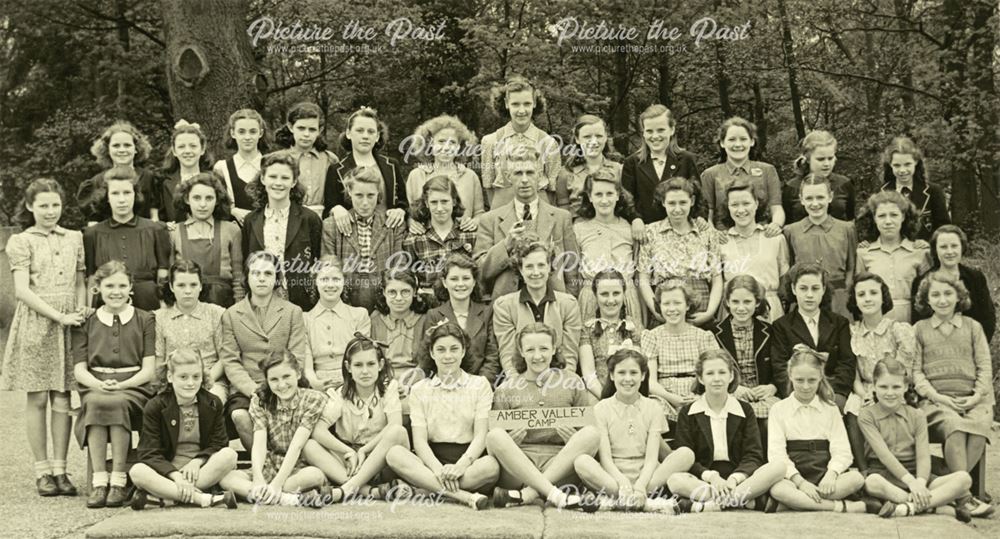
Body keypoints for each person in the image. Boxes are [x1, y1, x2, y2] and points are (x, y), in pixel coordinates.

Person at [1, 178, 86, 497]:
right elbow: (22, 290)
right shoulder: (21, 242)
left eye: (55, 205)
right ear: (29, 206)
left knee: (63, 397)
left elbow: (80, 280)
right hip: (38, 321)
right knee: (38, 397)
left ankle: (61, 470)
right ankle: (42, 470)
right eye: (43, 205)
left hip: (69, 321)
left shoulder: (75, 237)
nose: (50, 211)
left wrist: (79, 310)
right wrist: (58, 315)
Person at [385, 322, 501, 510]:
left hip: (469, 462)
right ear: (432, 353)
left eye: (454, 349)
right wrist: (438, 470)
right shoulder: (420, 389)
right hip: (432, 461)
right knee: (394, 454)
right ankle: (464, 497)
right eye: (441, 350)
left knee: (491, 466)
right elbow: (420, 442)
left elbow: (481, 435)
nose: (448, 356)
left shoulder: (480, 385)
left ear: (463, 351)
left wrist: (461, 466)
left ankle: (426, 489)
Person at [71, 261, 156, 508]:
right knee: (98, 400)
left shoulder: (145, 319)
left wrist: (122, 385)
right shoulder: (86, 321)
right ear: (97, 288)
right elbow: (79, 370)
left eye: (122, 285)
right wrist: (98, 384)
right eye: (109, 286)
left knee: (116, 401)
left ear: (131, 287)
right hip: (95, 385)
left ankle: (118, 482)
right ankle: (100, 482)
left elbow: (148, 370)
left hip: (134, 386)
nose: (116, 291)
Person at [487, 323, 598, 510]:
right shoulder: (507, 388)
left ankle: (529, 494)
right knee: (495, 436)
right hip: (520, 466)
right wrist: (511, 440)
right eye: (530, 349)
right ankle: (553, 493)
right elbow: (494, 445)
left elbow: (585, 429)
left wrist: (572, 438)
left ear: (554, 349)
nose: (537, 356)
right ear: (521, 351)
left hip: (560, 463)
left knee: (592, 434)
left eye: (544, 348)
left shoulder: (573, 381)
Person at [572, 349, 695, 513]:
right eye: (621, 372)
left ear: (643, 376)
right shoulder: (601, 408)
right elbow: (606, 458)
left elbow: (652, 458)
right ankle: (641, 501)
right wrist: (622, 483)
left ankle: (627, 499)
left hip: (647, 474)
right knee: (581, 461)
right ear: (612, 375)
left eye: (633, 373)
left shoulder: (653, 407)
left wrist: (640, 486)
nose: (627, 379)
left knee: (686, 454)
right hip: (613, 476)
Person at [911, 273, 993, 515]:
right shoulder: (920, 329)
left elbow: (984, 367)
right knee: (955, 427)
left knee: (978, 428)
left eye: (948, 294)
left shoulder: (972, 327)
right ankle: (965, 497)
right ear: (926, 300)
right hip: (935, 401)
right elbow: (916, 373)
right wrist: (939, 397)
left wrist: (976, 397)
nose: (942, 300)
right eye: (935, 295)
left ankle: (952, 492)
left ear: (959, 297)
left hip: (972, 399)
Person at [668, 350, 785, 512]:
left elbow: (753, 455)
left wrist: (735, 479)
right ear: (701, 378)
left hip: (739, 479)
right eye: (710, 373)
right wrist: (712, 477)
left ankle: (712, 504)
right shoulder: (688, 412)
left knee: (778, 467)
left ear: (731, 376)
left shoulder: (745, 409)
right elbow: (687, 458)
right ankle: (745, 501)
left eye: (722, 372)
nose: (717, 379)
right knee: (675, 480)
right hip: (705, 479)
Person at [860, 358, 975, 521]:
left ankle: (907, 507)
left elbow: (923, 455)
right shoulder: (867, 415)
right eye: (883, 387)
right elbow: (884, 455)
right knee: (872, 482)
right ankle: (932, 506)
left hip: (917, 474)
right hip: (884, 474)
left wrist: (920, 483)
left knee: (964, 479)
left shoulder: (917, 415)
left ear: (906, 387)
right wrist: (911, 484)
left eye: (896, 387)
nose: (890, 393)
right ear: (873, 386)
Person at [305, 334, 411, 504]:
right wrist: (348, 451)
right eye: (358, 365)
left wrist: (364, 450)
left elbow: (395, 425)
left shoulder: (389, 388)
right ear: (348, 367)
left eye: (370, 364)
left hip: (381, 455)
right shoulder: (339, 394)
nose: (365, 371)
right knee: (309, 445)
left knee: (397, 431)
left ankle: (347, 489)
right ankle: (369, 491)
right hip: (350, 462)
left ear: (380, 365)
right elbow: (318, 430)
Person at [129, 350, 239, 510]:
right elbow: (148, 452)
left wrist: (197, 461)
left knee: (230, 455)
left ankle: (168, 499)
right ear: (169, 377)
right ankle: (204, 499)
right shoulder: (155, 406)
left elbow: (219, 443)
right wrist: (176, 477)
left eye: (196, 376)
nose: (190, 383)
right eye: (183, 377)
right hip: (167, 474)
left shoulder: (213, 403)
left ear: (203, 376)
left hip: (200, 472)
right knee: (137, 471)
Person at [220, 251, 308, 451]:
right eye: (255, 273)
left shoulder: (292, 312)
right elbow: (230, 361)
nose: (261, 278)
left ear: (277, 279)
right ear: (247, 277)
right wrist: (253, 390)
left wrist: (280, 385)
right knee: (239, 416)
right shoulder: (231, 315)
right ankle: (263, 464)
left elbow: (297, 357)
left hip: (285, 383)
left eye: (268, 274)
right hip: (248, 387)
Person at [766, 345, 870, 513]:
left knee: (856, 479)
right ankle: (841, 506)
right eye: (799, 380)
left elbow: (842, 450)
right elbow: (776, 454)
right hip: (794, 477)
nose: (806, 386)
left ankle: (796, 503)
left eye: (812, 380)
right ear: (790, 375)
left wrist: (832, 474)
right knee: (778, 489)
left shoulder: (830, 409)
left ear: (821, 376)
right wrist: (800, 482)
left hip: (824, 476)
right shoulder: (779, 409)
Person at [218, 351, 329, 507]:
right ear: (267, 381)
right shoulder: (260, 400)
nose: (281, 385)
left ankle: (265, 494)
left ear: (297, 373)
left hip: (297, 466)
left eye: (286, 377)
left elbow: (297, 445)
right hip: (270, 465)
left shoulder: (313, 399)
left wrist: (277, 483)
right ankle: (288, 499)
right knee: (226, 479)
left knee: (315, 476)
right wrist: (258, 478)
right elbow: (259, 443)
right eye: (274, 379)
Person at [474, 146, 579, 300]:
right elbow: (480, 271)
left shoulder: (561, 218)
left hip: (551, 303)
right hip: (507, 306)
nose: (524, 180)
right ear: (508, 177)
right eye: (518, 173)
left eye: (530, 173)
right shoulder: (490, 220)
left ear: (539, 176)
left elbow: (572, 268)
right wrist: (505, 245)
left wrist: (568, 300)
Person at [845, 272, 918, 471]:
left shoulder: (898, 330)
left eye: (873, 293)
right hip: (865, 389)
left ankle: (898, 466)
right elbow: (853, 374)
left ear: (883, 297)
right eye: (861, 294)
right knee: (853, 407)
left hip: (894, 388)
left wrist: (881, 392)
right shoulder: (851, 332)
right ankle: (864, 470)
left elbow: (905, 372)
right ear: (855, 300)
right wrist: (865, 394)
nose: (867, 298)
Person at [243, 151, 323, 311]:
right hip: (262, 300)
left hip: (300, 299)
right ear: (263, 179)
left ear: (294, 182)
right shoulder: (251, 220)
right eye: (273, 177)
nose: (278, 183)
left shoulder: (309, 219)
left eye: (285, 178)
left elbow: (317, 259)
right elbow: (247, 259)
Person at [771, 263, 857, 412]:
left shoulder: (839, 323)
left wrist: (834, 392)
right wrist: (801, 393)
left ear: (823, 289)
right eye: (803, 288)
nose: (809, 295)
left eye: (815, 288)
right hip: (797, 392)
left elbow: (847, 363)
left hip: (833, 392)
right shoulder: (781, 326)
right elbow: (780, 367)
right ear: (793, 289)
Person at [83, 166, 170, 311]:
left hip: (148, 305)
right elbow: (92, 279)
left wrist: (164, 310)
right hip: (108, 305)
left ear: (135, 195)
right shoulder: (92, 234)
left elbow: (163, 276)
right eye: (115, 193)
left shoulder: (156, 229)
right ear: (107, 197)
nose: (122, 200)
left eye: (127, 193)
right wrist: (90, 312)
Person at [637, 177, 722, 327]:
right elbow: (643, 278)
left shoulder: (707, 233)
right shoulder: (650, 232)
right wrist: (657, 311)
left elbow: (717, 278)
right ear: (663, 202)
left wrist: (710, 312)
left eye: (683, 202)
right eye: (671, 203)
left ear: (692, 201)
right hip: (665, 302)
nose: (677, 209)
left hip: (700, 302)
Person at [492, 238, 583, 378]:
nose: (536, 272)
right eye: (529, 266)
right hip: (521, 380)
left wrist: (560, 384)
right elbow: (508, 356)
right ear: (521, 270)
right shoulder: (504, 306)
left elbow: (569, 356)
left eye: (541, 265)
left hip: (559, 379)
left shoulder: (568, 304)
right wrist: (520, 384)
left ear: (549, 267)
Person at [321, 165, 406, 310]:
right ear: (350, 192)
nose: (365, 203)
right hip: (346, 299)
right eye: (359, 195)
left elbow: (399, 268)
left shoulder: (393, 224)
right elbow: (329, 269)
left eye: (370, 195)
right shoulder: (332, 226)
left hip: (384, 300)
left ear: (378, 193)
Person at [572, 169, 644, 325]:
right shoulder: (579, 229)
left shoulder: (629, 228)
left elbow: (639, 271)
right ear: (590, 197)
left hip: (625, 295)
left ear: (618, 195)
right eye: (598, 194)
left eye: (609, 194)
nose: (604, 200)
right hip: (591, 295)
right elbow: (575, 270)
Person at [642, 281, 720, 423]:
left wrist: (699, 396)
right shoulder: (652, 336)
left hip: (697, 392)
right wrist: (671, 398)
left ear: (688, 305)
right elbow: (650, 381)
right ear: (659, 306)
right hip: (664, 395)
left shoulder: (703, 336)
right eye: (666, 304)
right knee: (652, 410)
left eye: (677, 303)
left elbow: (714, 373)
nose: (672, 309)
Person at [415, 254, 500, 383]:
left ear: (474, 281)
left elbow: (492, 357)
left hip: (479, 385)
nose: (460, 284)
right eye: (454, 279)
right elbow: (427, 358)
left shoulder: (487, 313)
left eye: (466, 278)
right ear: (444, 282)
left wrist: (479, 384)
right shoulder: (434, 315)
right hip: (445, 385)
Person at [480, 75, 561, 207]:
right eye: (515, 104)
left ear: (534, 103)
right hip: (502, 211)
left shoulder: (549, 143)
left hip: (539, 210)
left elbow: (552, 190)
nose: (521, 110)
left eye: (527, 104)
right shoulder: (490, 141)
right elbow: (488, 186)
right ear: (507, 103)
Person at [783, 175, 857, 318]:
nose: (815, 203)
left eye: (820, 197)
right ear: (801, 199)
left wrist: (846, 296)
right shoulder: (790, 231)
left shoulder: (847, 229)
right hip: (805, 299)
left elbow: (851, 267)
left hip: (839, 300)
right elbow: (790, 267)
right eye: (809, 198)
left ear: (830, 197)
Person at [710, 276, 779, 426]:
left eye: (747, 302)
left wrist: (772, 386)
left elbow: (780, 366)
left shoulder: (769, 331)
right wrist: (733, 387)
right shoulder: (714, 333)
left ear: (757, 302)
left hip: (763, 394)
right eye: (735, 302)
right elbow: (711, 369)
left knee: (771, 420)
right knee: (732, 418)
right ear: (727, 302)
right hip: (730, 392)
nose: (741, 308)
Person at [154, 260, 227, 402]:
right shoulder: (159, 317)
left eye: (193, 285)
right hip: (172, 383)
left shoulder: (216, 314)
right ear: (171, 286)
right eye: (181, 285)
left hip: (211, 381)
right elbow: (159, 360)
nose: (188, 291)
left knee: (211, 402)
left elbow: (224, 358)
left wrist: (204, 380)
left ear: (200, 286)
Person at [169, 172, 243, 308]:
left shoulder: (231, 230)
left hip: (223, 303)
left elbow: (238, 277)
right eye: (196, 198)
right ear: (186, 199)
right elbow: (170, 277)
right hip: (187, 303)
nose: (203, 204)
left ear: (217, 200)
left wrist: (238, 308)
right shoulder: (174, 233)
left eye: (209, 198)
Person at [325, 106, 407, 228]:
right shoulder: (336, 169)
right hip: (351, 236)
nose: (365, 136)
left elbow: (403, 202)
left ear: (377, 136)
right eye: (359, 130)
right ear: (348, 133)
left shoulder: (391, 165)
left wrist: (400, 210)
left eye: (371, 131)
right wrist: (336, 209)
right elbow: (329, 206)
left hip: (388, 233)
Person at [855, 191, 930, 322]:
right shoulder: (864, 252)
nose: (888, 221)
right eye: (882, 216)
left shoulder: (919, 252)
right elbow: (859, 291)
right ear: (874, 218)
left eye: (894, 215)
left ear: (903, 216)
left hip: (911, 318)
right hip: (876, 319)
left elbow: (927, 292)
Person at [911, 225, 995, 342]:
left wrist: (977, 346)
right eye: (943, 247)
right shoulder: (922, 281)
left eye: (954, 246)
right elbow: (918, 320)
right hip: (934, 348)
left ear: (962, 247)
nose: (950, 252)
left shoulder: (975, 278)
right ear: (935, 250)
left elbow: (987, 318)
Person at [719, 180, 789, 321]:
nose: (741, 210)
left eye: (746, 203)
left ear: (756, 204)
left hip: (770, 310)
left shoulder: (775, 239)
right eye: (734, 205)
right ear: (728, 207)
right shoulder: (721, 242)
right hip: (733, 312)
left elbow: (785, 282)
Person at [701, 116, 784, 233]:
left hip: (762, 236)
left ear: (752, 141)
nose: (738, 144)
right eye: (732, 139)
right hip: (724, 240)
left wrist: (776, 225)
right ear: (722, 143)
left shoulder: (768, 170)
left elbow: (776, 208)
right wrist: (713, 234)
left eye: (743, 139)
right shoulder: (710, 174)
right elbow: (706, 214)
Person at [620, 104, 699, 224]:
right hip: (645, 231)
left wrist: (699, 218)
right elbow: (626, 201)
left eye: (661, 130)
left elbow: (698, 197)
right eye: (649, 131)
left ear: (672, 130)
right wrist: (635, 219)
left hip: (681, 228)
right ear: (643, 133)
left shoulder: (687, 159)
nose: (655, 136)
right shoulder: (632, 163)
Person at [303, 256, 371, 391]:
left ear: (344, 282)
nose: (330, 285)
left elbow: (362, 357)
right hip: (318, 384)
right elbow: (307, 365)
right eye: (324, 279)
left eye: (336, 279)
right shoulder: (305, 319)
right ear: (315, 282)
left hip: (353, 382)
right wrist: (315, 383)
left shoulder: (359, 315)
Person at [403, 175, 477, 296]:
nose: (439, 208)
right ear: (426, 203)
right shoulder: (414, 239)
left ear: (453, 201)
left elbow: (476, 274)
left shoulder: (469, 235)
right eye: (434, 202)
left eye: (444, 201)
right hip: (427, 304)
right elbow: (408, 279)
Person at [578, 269, 644, 399]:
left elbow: (638, 369)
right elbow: (588, 375)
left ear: (624, 294)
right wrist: (606, 400)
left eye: (616, 293)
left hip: (631, 392)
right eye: (604, 294)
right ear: (596, 296)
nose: (611, 300)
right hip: (598, 395)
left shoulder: (633, 327)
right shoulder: (587, 329)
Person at [405, 114, 484, 221]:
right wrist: (411, 222)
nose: (446, 148)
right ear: (430, 143)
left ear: (459, 147)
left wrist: (475, 222)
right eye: (441, 141)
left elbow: (479, 212)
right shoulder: (416, 175)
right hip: (426, 236)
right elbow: (410, 212)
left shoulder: (470, 176)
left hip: (464, 235)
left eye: (452, 142)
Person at [77, 121, 158, 223]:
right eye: (116, 146)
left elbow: (155, 218)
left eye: (127, 145)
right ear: (107, 150)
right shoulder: (97, 181)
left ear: (136, 149)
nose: (122, 150)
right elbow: (93, 224)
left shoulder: (148, 177)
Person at [273, 101, 340, 217]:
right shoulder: (278, 159)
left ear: (320, 129)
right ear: (290, 127)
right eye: (301, 128)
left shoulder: (330, 159)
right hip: (288, 218)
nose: (306, 134)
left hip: (322, 219)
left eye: (312, 129)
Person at [371, 269, 428, 404]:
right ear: (384, 292)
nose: (398, 298)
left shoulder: (424, 320)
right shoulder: (375, 319)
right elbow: (371, 357)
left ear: (414, 292)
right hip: (382, 380)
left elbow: (426, 362)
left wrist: (409, 384)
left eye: (405, 292)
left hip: (416, 381)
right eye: (392, 292)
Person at [878, 136, 949, 241]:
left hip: (923, 253)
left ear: (915, 162)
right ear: (890, 165)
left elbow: (944, 229)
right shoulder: (881, 193)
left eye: (907, 164)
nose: (902, 170)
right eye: (897, 165)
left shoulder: (933, 191)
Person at [555, 114, 624, 217]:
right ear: (577, 139)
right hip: (578, 229)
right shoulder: (565, 173)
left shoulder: (619, 169)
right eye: (587, 137)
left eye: (599, 136)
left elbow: (627, 205)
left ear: (605, 137)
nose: (594, 141)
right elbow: (563, 212)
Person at [782, 130, 856, 222]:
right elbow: (787, 223)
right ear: (808, 159)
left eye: (830, 158)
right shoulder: (791, 187)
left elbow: (851, 220)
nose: (826, 164)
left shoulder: (844, 184)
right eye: (820, 159)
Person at [212, 108, 268, 224]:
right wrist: (233, 211)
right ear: (233, 133)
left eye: (252, 131)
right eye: (241, 132)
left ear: (260, 133)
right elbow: (217, 203)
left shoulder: (270, 165)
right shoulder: (222, 167)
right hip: (236, 232)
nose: (247, 137)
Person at [156, 120, 213, 223]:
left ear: (202, 149)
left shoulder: (214, 180)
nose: (187, 151)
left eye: (193, 146)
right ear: (174, 151)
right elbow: (162, 218)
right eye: (181, 147)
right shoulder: (164, 183)